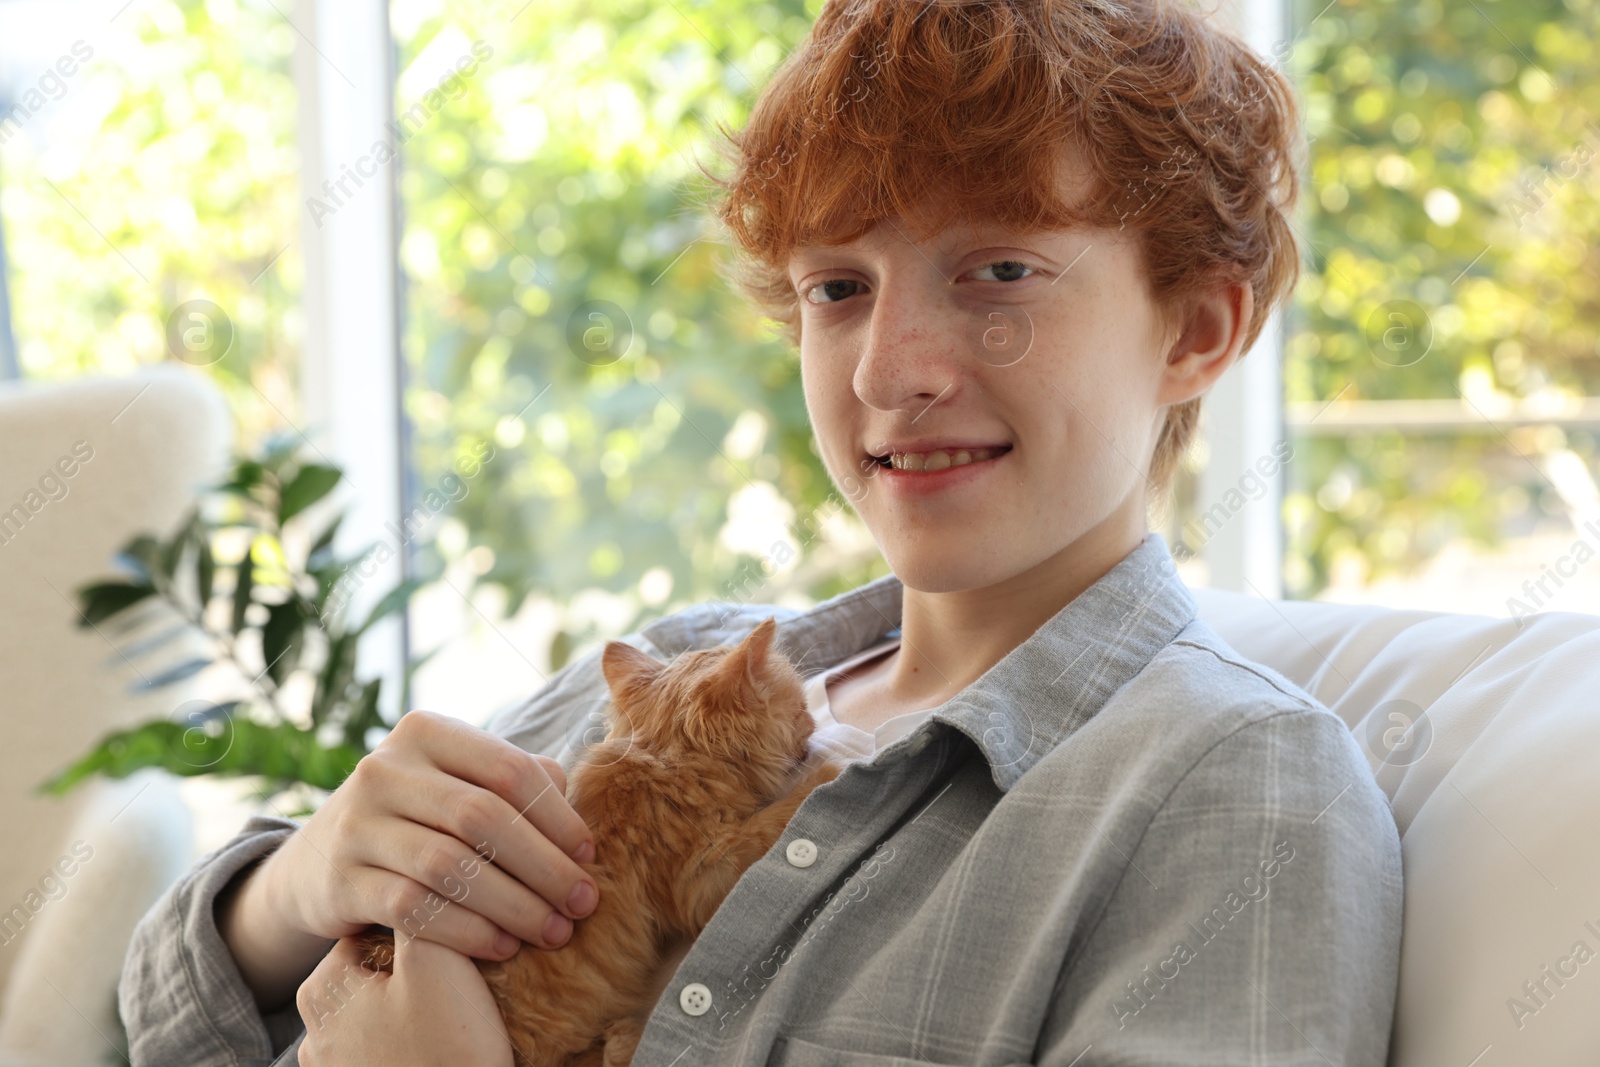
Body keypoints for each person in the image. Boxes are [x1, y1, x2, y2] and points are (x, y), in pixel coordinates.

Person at [119, 0, 1404, 1063]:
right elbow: (141, 1026)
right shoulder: (671, 667)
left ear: (1195, 331)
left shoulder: (1238, 790)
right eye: (836, 289)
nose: (887, 370)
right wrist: (294, 891)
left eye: (999, 271)